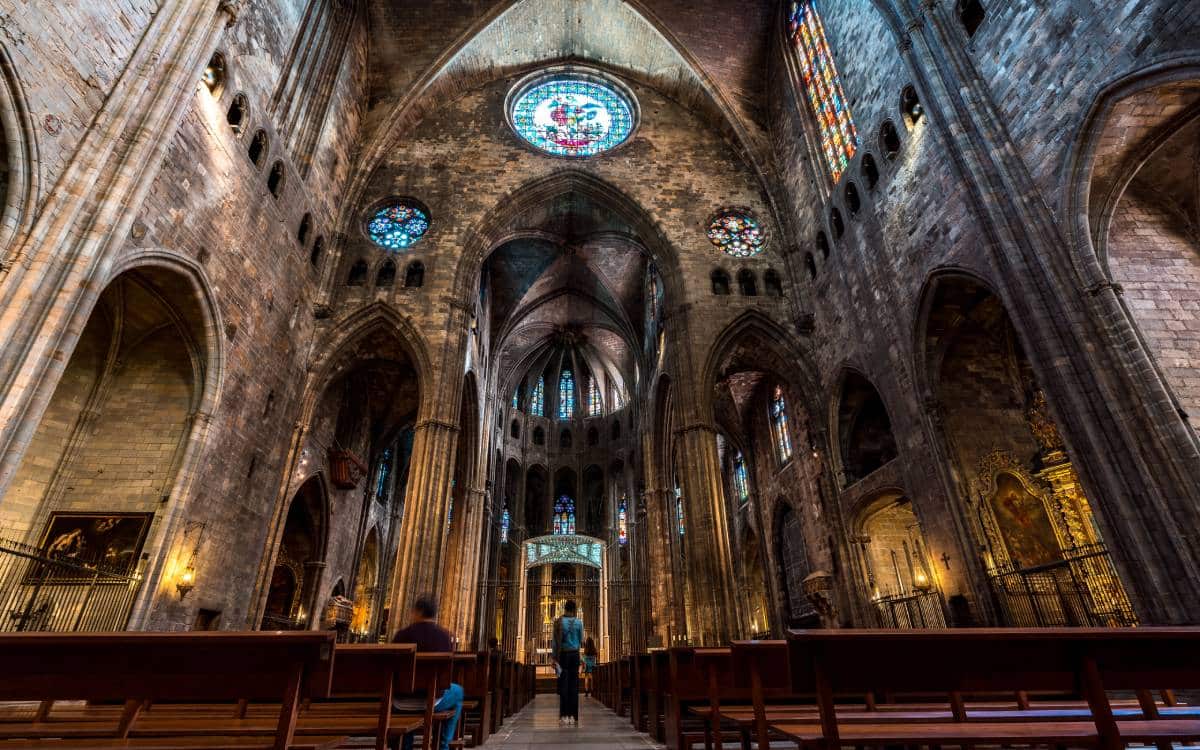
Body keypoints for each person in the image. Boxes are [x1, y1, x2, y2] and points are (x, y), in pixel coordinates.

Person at [393, 596, 462, 750]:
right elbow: (447, 673)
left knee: (407, 701)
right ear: (434, 614)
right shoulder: (444, 636)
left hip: (399, 702)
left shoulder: (402, 635)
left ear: (418, 612)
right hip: (432, 701)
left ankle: (404, 745)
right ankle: (443, 745)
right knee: (459, 691)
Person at [552, 600, 583, 725]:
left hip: (563, 655)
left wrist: (554, 659)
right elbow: (581, 639)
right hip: (575, 655)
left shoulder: (558, 622)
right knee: (574, 686)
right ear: (574, 609)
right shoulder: (579, 622)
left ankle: (564, 715)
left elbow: (554, 642)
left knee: (563, 685)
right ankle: (573, 716)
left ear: (564, 609)